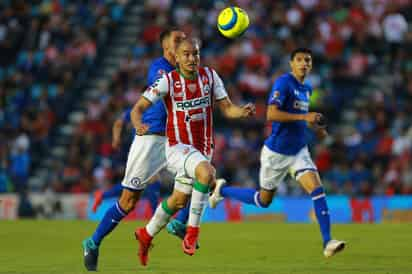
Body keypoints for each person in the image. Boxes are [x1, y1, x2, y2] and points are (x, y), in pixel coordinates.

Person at [208, 48, 346, 258]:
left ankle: (328, 241)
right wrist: (304, 118)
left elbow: (302, 117)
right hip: (276, 153)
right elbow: (271, 114)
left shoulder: (307, 88)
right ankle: (222, 190)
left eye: (307, 60)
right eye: (299, 60)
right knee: (263, 201)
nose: (303, 64)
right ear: (291, 64)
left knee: (317, 190)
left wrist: (317, 129)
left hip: (299, 151)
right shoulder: (283, 83)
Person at [132, 37, 255, 266]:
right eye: (186, 54)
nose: (191, 58)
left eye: (195, 54)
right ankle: (192, 233)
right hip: (177, 147)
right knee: (207, 175)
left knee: (178, 200)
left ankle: (146, 234)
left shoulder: (210, 76)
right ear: (176, 58)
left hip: (202, 149)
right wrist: (138, 123)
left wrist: (242, 111)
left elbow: (227, 108)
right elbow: (138, 107)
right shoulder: (168, 81)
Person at [82, 28, 186, 271]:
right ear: (167, 48)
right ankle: (93, 242)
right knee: (128, 202)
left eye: (185, 39)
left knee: (201, 175)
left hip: (174, 140)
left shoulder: (187, 71)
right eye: (178, 40)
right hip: (151, 141)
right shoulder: (160, 69)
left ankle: (179, 224)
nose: (183, 42)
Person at [91, 107, 161, 214]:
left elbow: (118, 123)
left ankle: (102, 195)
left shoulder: (134, 110)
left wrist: (116, 139)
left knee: (140, 181)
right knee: (151, 180)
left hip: (139, 149)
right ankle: (156, 216)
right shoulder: (158, 109)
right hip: (144, 149)